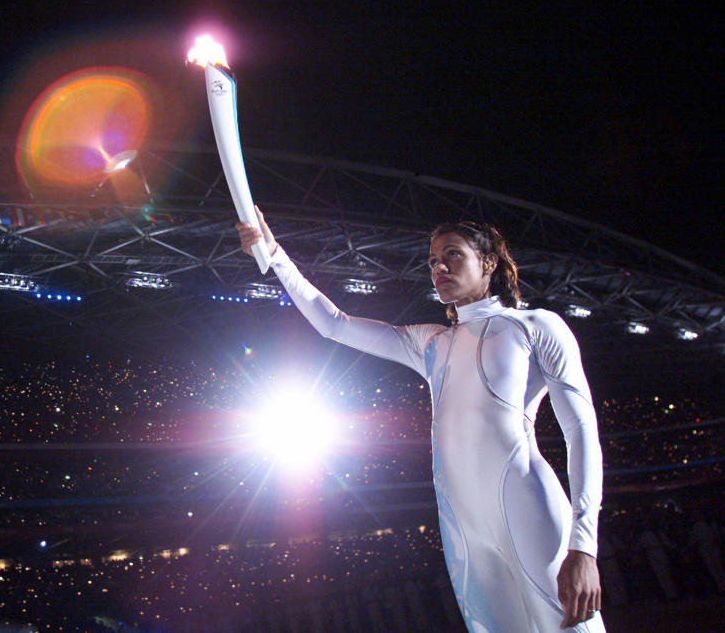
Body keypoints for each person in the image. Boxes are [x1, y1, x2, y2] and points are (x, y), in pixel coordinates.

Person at [238, 209, 605, 632]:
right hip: (462, 525)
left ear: (489, 262)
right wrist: (275, 254)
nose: (439, 267)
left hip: (527, 505)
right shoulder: (429, 342)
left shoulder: (536, 326)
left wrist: (584, 546)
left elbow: (581, 432)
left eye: (452, 255)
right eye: (432, 261)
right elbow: (333, 324)